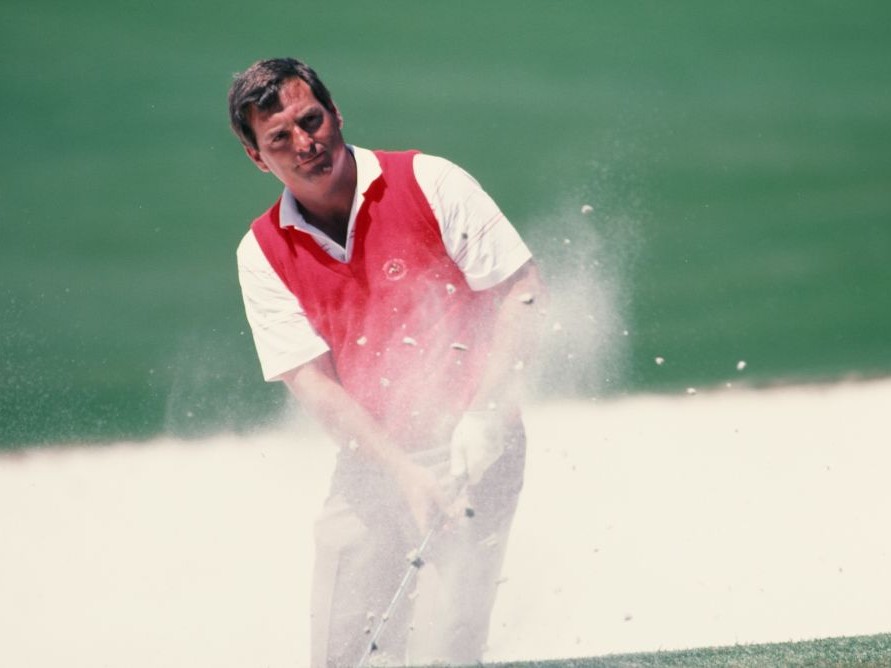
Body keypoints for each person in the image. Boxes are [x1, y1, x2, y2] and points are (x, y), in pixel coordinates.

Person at [228, 57, 546, 667]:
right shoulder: (260, 253)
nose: (306, 143)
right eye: (280, 138)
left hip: (475, 446)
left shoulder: (430, 181)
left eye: (311, 119)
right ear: (256, 157)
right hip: (371, 461)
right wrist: (402, 473)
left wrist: (487, 411)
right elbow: (312, 384)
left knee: (441, 655)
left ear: (335, 112)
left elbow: (523, 290)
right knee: (341, 655)